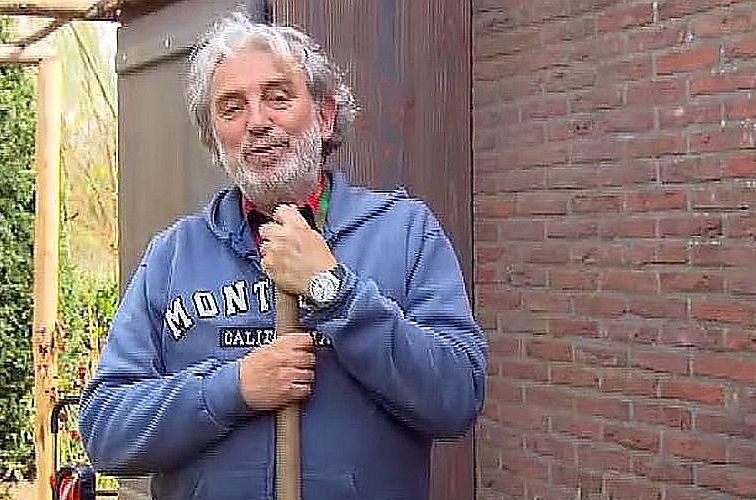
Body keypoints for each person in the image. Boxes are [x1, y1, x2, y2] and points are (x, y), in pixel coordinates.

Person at [79, 11, 487, 500]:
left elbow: (457, 396)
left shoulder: (404, 234)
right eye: (231, 108)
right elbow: (106, 432)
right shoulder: (173, 256)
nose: (257, 122)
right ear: (214, 138)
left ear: (324, 116)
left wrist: (334, 292)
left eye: (278, 97)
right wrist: (233, 388)